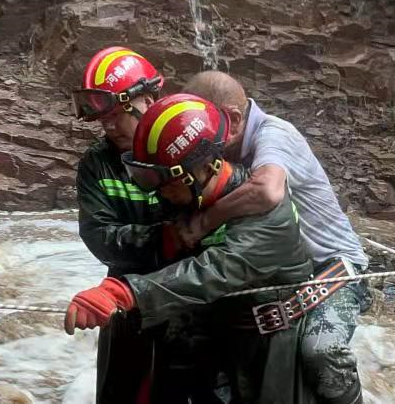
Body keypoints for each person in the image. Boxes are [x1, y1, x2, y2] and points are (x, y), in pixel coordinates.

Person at [65, 93, 318, 403]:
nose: (156, 192)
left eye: (161, 180)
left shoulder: (268, 215)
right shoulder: (189, 199)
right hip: (216, 340)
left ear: (200, 170)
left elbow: (213, 271)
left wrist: (124, 292)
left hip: (270, 347)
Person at [178, 71, 370, 404]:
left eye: (204, 130)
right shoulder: (228, 147)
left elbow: (267, 191)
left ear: (233, 119)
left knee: (320, 352)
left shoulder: (275, 134)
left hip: (335, 268)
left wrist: (204, 221)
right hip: (278, 273)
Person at [71, 46, 171, 402]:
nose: (109, 126)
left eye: (118, 114)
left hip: (193, 292)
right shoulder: (97, 164)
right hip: (123, 295)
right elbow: (100, 237)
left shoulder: (188, 149)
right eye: (103, 118)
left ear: (147, 99)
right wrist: (172, 238)